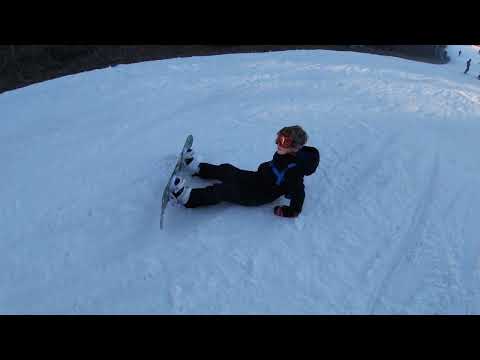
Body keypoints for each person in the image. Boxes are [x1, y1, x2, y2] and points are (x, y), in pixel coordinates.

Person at [168, 125, 320, 218]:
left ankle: (187, 198)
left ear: (294, 148)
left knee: (224, 190)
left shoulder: (294, 171)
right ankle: (197, 167)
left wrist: (290, 211)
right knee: (227, 170)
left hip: (259, 194)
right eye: (278, 138)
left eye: (283, 142)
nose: (278, 144)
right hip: (258, 179)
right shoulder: (286, 153)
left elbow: (299, 192)